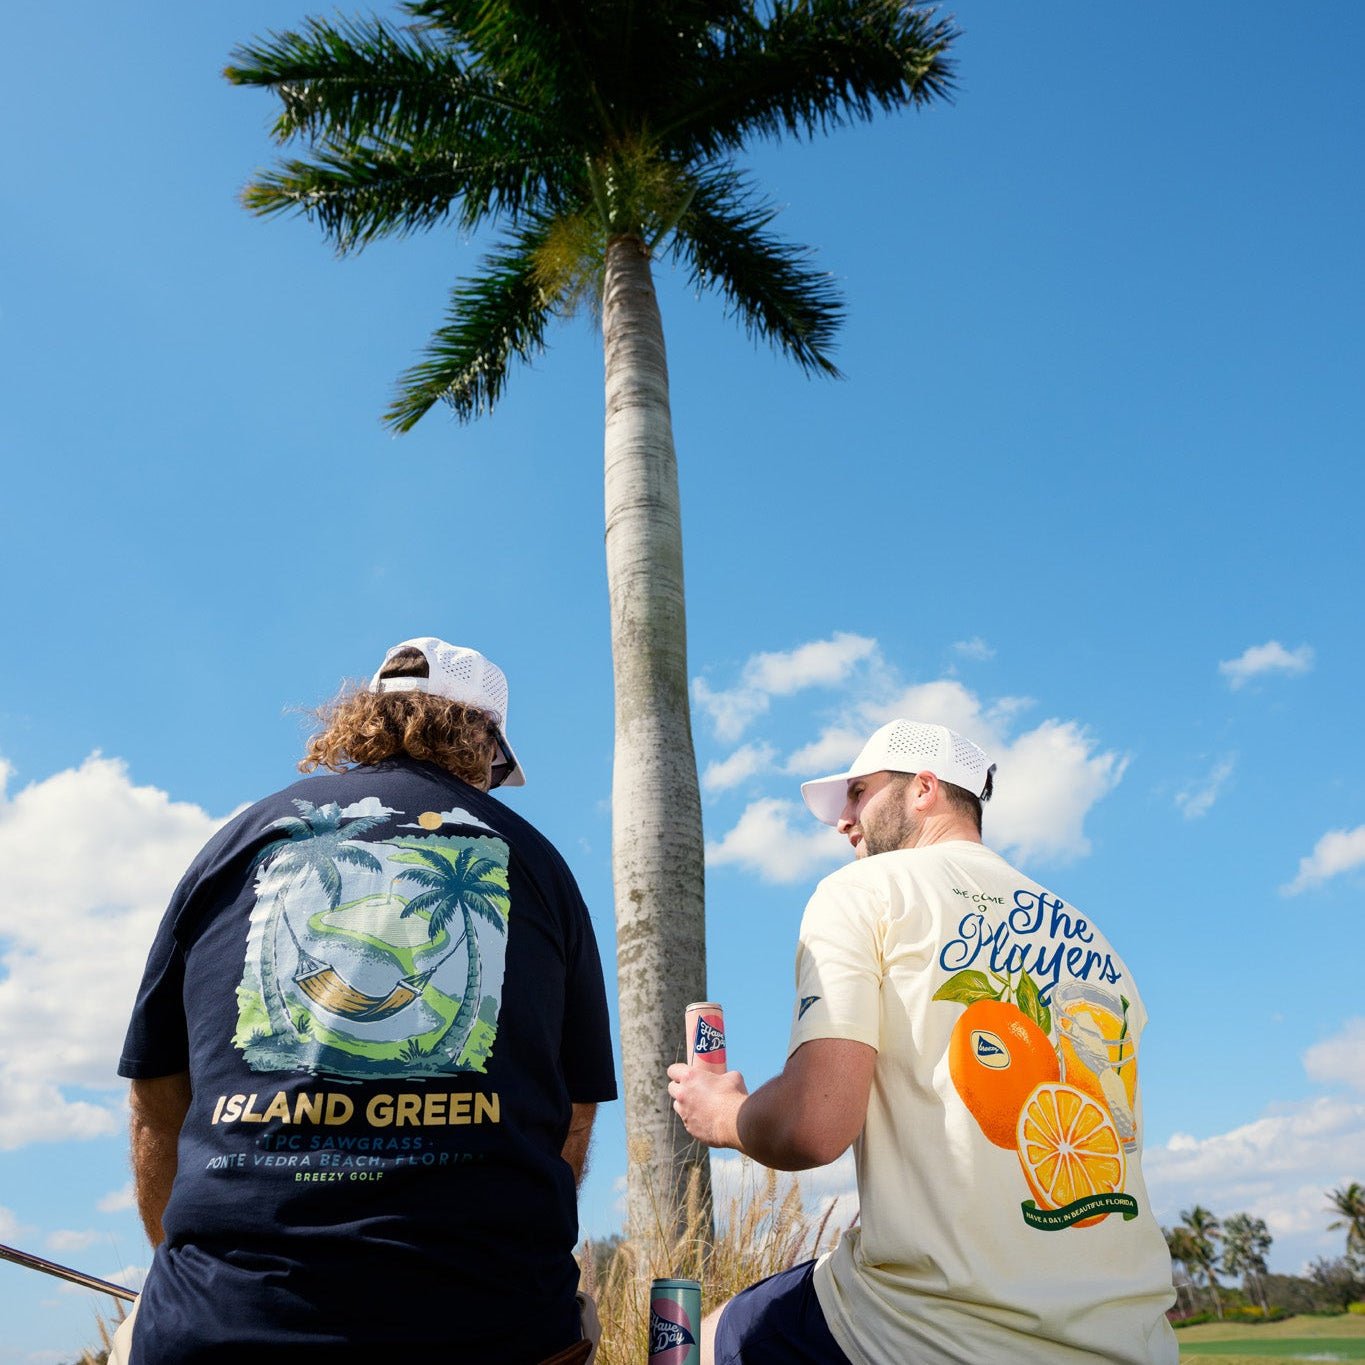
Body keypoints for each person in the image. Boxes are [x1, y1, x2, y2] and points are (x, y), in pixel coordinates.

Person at [117, 637, 616, 1364]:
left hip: (222, 1324)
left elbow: (156, 1092)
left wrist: (193, 1272)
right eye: (498, 766)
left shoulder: (234, 843)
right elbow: (571, 1114)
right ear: (482, 738)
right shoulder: (536, 861)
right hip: (488, 1328)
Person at [668, 718, 1178, 1365]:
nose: (842, 819)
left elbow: (813, 1124)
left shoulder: (863, 891)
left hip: (927, 1332)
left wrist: (722, 1112)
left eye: (857, 792)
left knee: (696, 1340)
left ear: (924, 787)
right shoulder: (1098, 945)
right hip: (1130, 1341)